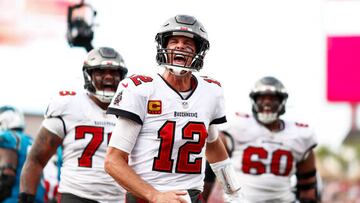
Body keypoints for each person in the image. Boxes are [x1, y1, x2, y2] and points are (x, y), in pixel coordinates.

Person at [104, 14, 241, 203]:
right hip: (146, 196)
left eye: (188, 43)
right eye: (173, 41)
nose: (179, 46)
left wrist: (233, 190)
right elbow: (113, 161)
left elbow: (213, 144)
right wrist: (155, 195)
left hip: (191, 196)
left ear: (199, 51)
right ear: (163, 47)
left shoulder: (211, 92)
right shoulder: (141, 89)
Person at [19, 47, 128, 203]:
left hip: (117, 199)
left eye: (114, 72)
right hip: (76, 195)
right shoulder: (69, 105)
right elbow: (36, 159)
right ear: (88, 75)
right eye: (101, 72)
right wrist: (26, 198)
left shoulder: (130, 109)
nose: (109, 77)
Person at [217, 76, 319, 203]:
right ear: (254, 100)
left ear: (282, 102)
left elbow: (308, 185)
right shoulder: (237, 126)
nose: (267, 103)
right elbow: (212, 164)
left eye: (273, 98)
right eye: (262, 98)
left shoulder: (300, 135)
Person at [0, 105, 45, 203]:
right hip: (35, 198)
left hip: (14, 199)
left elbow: (7, 176)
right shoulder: (30, 140)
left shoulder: (7, 137)